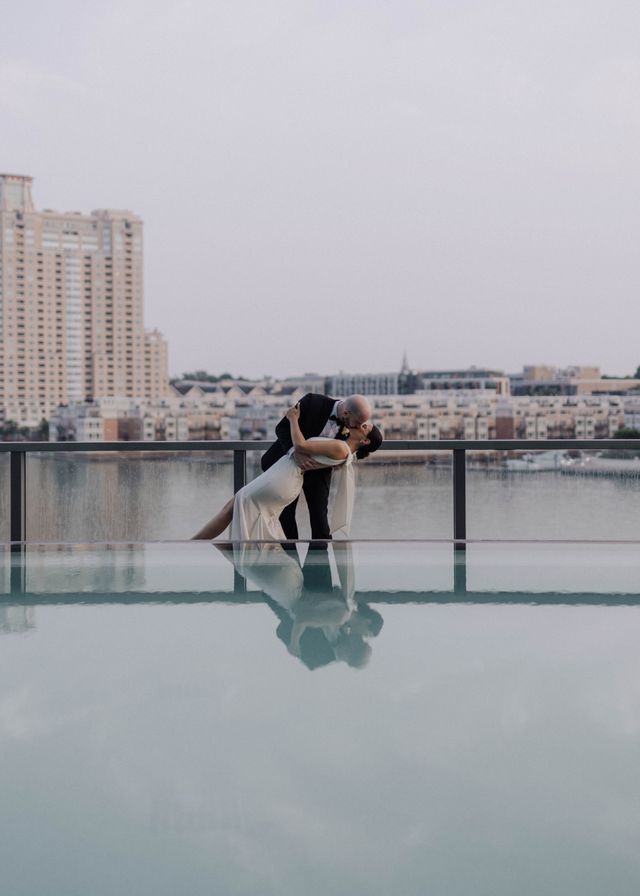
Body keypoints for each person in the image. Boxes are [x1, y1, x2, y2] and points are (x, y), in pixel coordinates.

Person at [192, 403, 382, 541]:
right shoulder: (344, 451)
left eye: (364, 426)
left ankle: (192, 546)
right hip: (284, 477)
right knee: (253, 514)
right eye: (361, 422)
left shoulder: (342, 448)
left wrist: (292, 419)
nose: (360, 424)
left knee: (236, 507)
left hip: (283, 478)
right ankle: (280, 565)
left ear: (365, 441)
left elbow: (301, 445)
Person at [261, 393, 373, 540]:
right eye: (357, 422)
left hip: (318, 473)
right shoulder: (312, 402)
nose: (359, 427)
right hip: (287, 468)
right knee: (286, 517)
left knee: (320, 521)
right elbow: (282, 428)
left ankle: (320, 560)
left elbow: (367, 441)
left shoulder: (353, 427)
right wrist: (294, 452)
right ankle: (291, 560)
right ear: (345, 413)